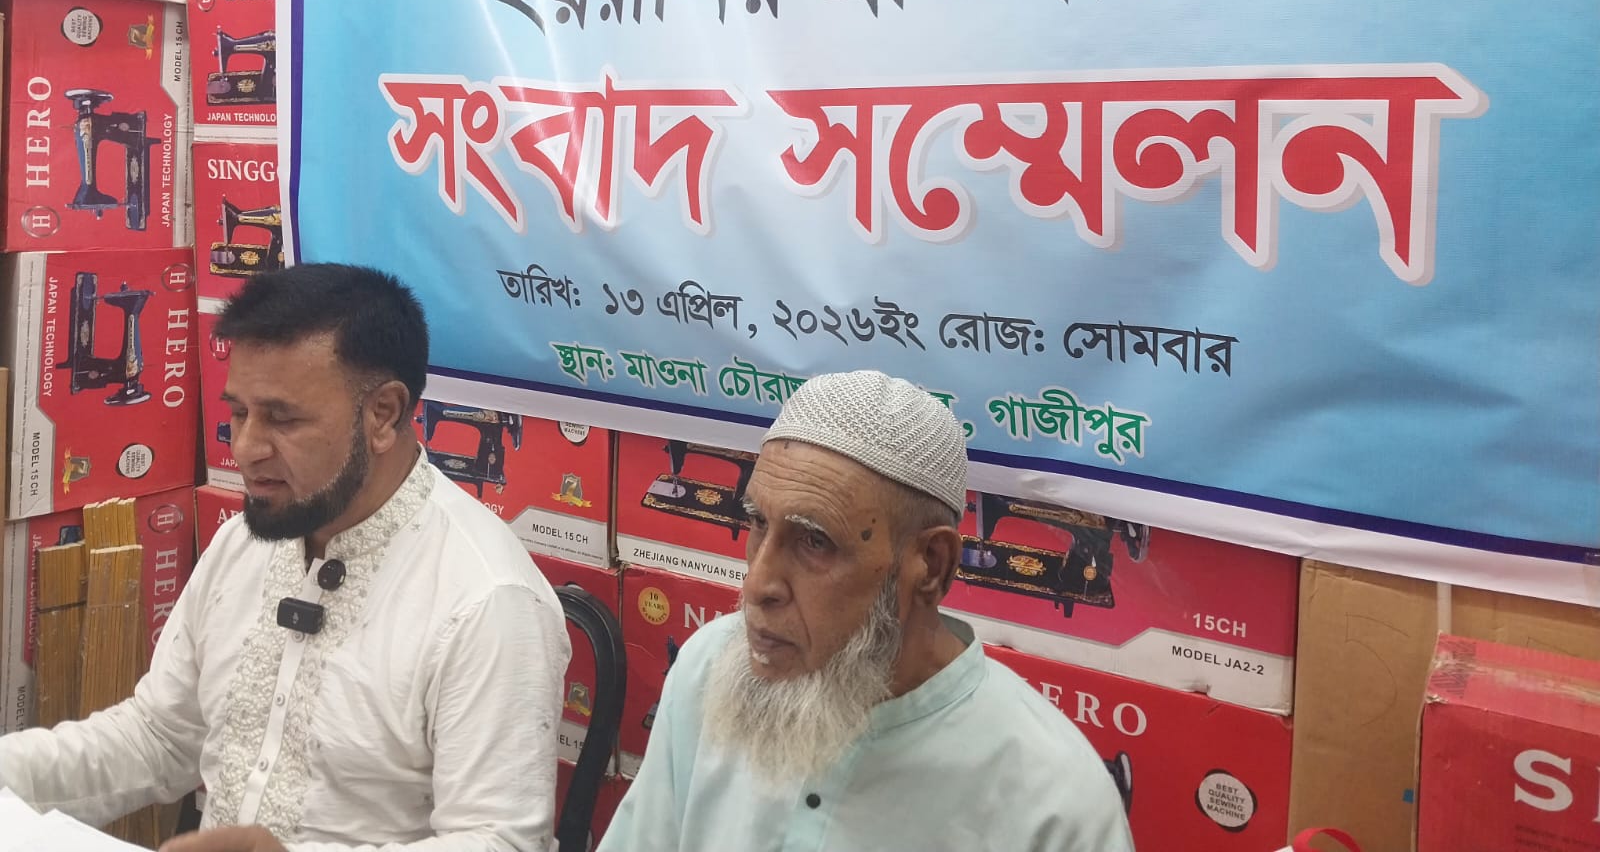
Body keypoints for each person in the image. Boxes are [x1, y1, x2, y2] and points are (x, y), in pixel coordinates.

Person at [0, 263, 571, 852]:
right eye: (238, 412)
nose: (246, 448)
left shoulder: (488, 601)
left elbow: (501, 842)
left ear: (383, 415)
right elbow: (158, 737)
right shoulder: (247, 539)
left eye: (282, 418)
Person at [599, 369, 1135, 852]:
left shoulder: (1053, 804)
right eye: (758, 522)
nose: (757, 585)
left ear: (931, 565)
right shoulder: (708, 669)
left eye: (814, 541)